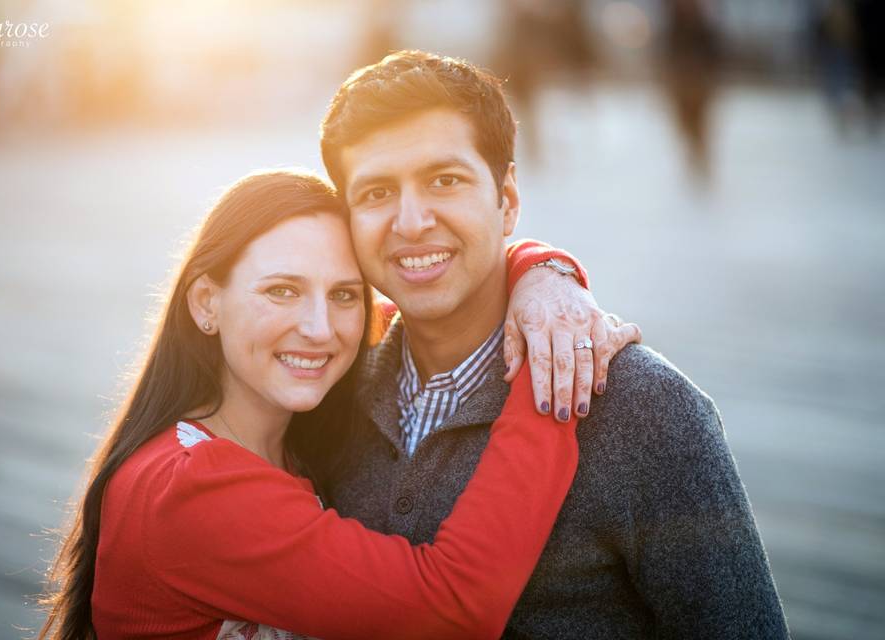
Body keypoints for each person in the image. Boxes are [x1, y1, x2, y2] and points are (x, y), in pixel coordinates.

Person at [38, 169, 637, 639]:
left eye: (345, 294)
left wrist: (542, 271)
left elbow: (445, 290)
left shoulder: (290, 416)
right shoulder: (187, 487)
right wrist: (552, 366)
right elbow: (454, 609)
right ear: (205, 303)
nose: (320, 330)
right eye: (281, 291)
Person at [320, 50, 790, 638]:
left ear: (507, 199)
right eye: (376, 193)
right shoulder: (327, 393)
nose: (411, 221)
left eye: (446, 180)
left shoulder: (645, 411)